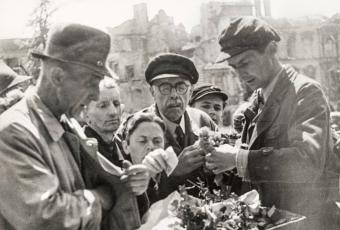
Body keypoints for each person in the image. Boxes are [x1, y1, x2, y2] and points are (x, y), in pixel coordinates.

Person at [0, 23, 149, 230]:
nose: (95, 95)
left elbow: (101, 180)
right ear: (58, 76)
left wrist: (129, 181)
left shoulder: (66, 124)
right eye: (90, 82)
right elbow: (47, 220)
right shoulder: (12, 133)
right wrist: (103, 197)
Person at [207, 16, 336, 230]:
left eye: (245, 63)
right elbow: (260, 174)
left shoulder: (305, 92)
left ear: (271, 49)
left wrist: (237, 159)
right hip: (278, 221)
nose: (240, 74)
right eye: (234, 67)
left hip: (311, 222)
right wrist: (224, 169)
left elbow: (307, 162)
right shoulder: (257, 101)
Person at [115, 53, 218, 201]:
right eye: (165, 88)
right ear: (152, 92)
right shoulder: (133, 127)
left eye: (181, 87)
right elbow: (126, 190)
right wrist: (173, 172)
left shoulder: (203, 121)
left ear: (191, 91)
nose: (174, 95)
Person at [84, 76, 126, 167]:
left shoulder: (124, 147)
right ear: (85, 113)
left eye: (116, 104)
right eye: (103, 106)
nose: (113, 112)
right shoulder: (82, 149)